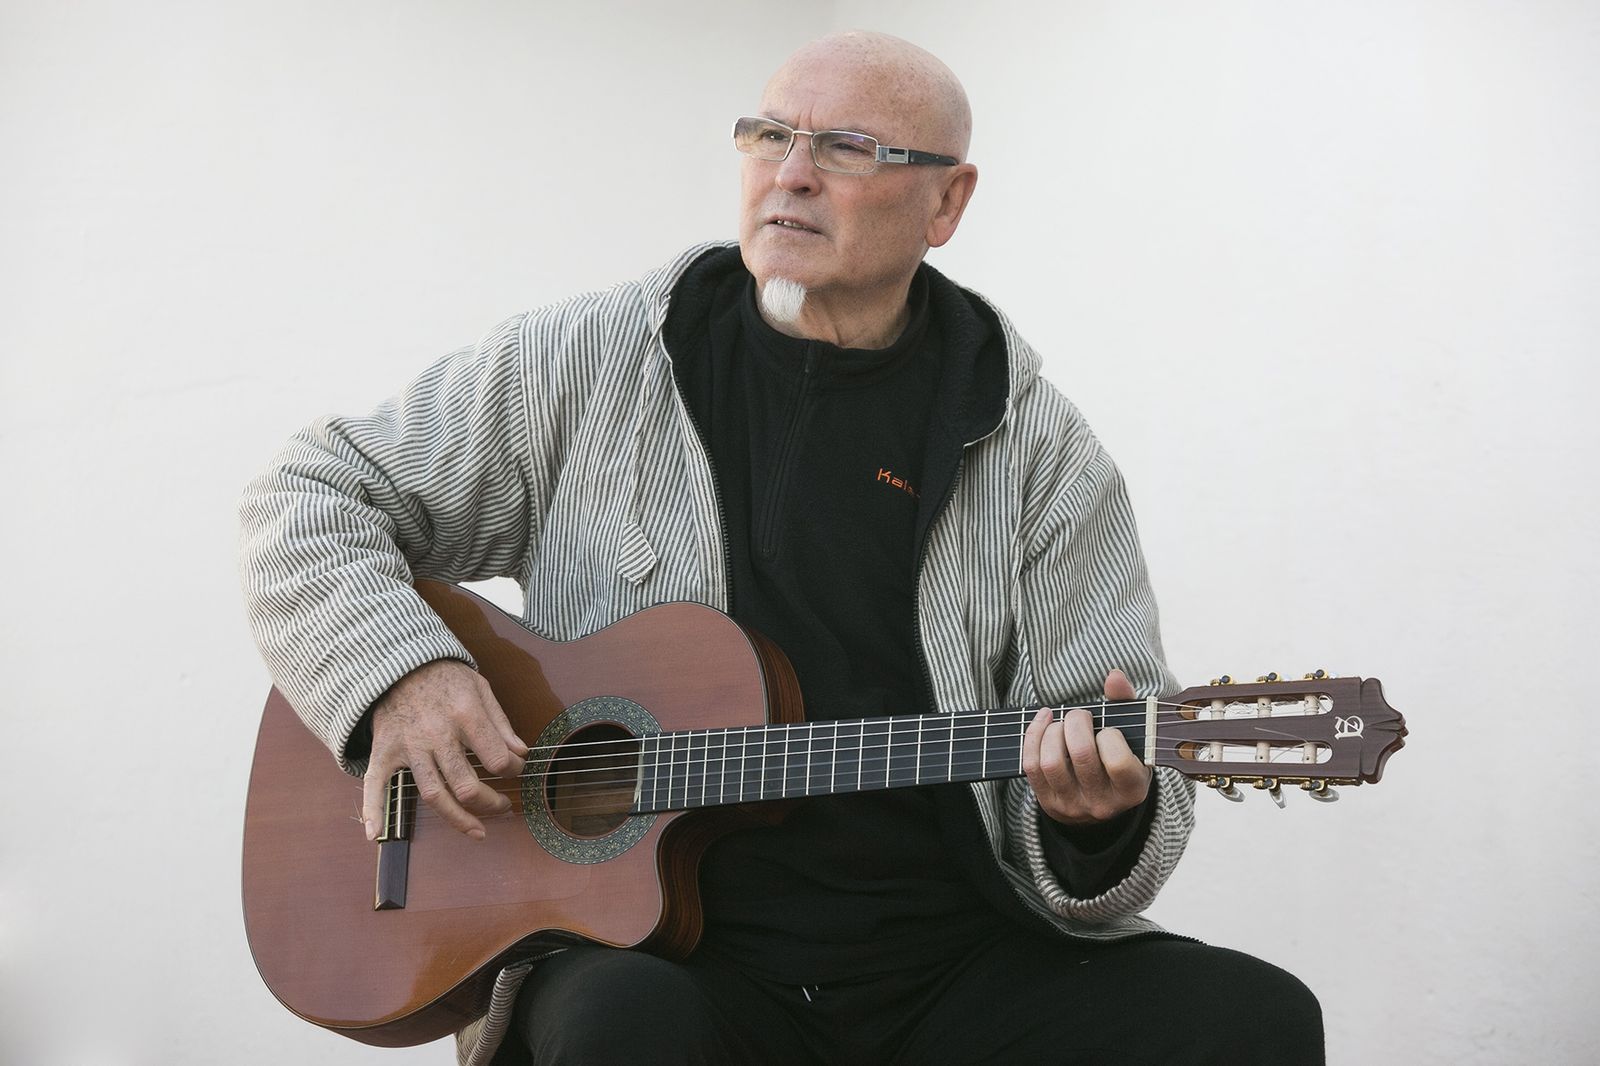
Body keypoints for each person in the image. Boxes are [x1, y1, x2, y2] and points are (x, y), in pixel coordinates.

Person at [240, 30, 1323, 1065]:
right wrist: (404, 674)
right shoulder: (582, 362)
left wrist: (1095, 818)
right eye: (768, 134)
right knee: (619, 1025)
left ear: (947, 200)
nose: (790, 174)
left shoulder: (1037, 445)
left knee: (1250, 1019)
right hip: (665, 959)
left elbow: (1113, 750)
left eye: (847, 148)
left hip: (945, 959)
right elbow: (308, 494)